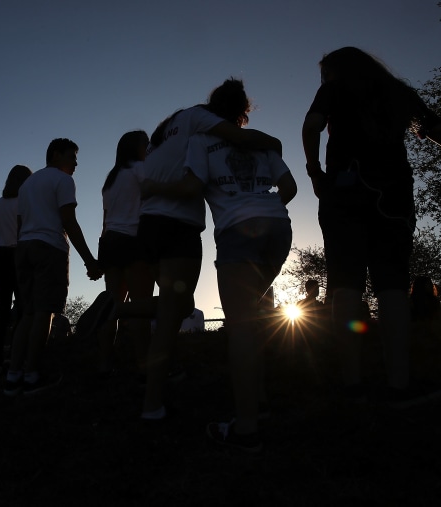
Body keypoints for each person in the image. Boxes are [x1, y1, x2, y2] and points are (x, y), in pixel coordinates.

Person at [145, 78, 297, 452]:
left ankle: (245, 428)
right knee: (256, 313)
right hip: (278, 229)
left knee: (242, 326)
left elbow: (191, 187)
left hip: (236, 232)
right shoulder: (262, 145)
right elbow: (290, 188)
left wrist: (153, 187)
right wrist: (265, 203)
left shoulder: (199, 140)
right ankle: (258, 402)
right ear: (241, 112)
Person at [302, 47, 441, 408]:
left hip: (344, 193)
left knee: (345, 285)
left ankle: (352, 385)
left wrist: (315, 170)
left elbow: (312, 125)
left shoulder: (334, 88)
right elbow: (437, 129)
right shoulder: (397, 90)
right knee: (393, 285)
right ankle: (399, 386)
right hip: (393, 197)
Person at [4, 138, 103, 396]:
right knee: (44, 313)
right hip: (49, 248)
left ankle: (14, 373)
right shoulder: (63, 180)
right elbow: (69, 221)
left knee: (27, 313)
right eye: (72, 157)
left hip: (23, 248)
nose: (76, 162)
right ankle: (32, 374)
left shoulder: (26, 185)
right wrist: (89, 260)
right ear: (56, 155)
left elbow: (19, 222)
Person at [95, 130, 154, 378]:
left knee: (114, 307)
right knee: (140, 307)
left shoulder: (110, 181)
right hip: (133, 240)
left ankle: (104, 366)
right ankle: (146, 368)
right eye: (146, 144)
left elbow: (106, 220)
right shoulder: (141, 171)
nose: (149, 149)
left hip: (110, 243)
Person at [0, 165, 32, 374]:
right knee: (24, 309)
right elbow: (22, 230)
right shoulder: (24, 200)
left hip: (0, 257)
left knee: (1, 312)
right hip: (19, 253)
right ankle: (19, 356)